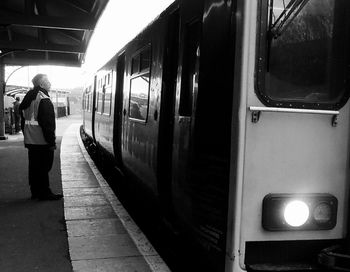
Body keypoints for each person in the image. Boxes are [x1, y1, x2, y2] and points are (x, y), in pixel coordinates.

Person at [19, 74, 63, 201]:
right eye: (48, 81)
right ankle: (45, 193)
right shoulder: (43, 98)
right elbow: (47, 123)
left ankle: (36, 191)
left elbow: (23, 118)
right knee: (44, 167)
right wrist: (51, 142)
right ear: (41, 84)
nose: (50, 83)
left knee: (34, 167)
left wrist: (26, 133)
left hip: (30, 140)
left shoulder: (28, 97)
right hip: (42, 140)